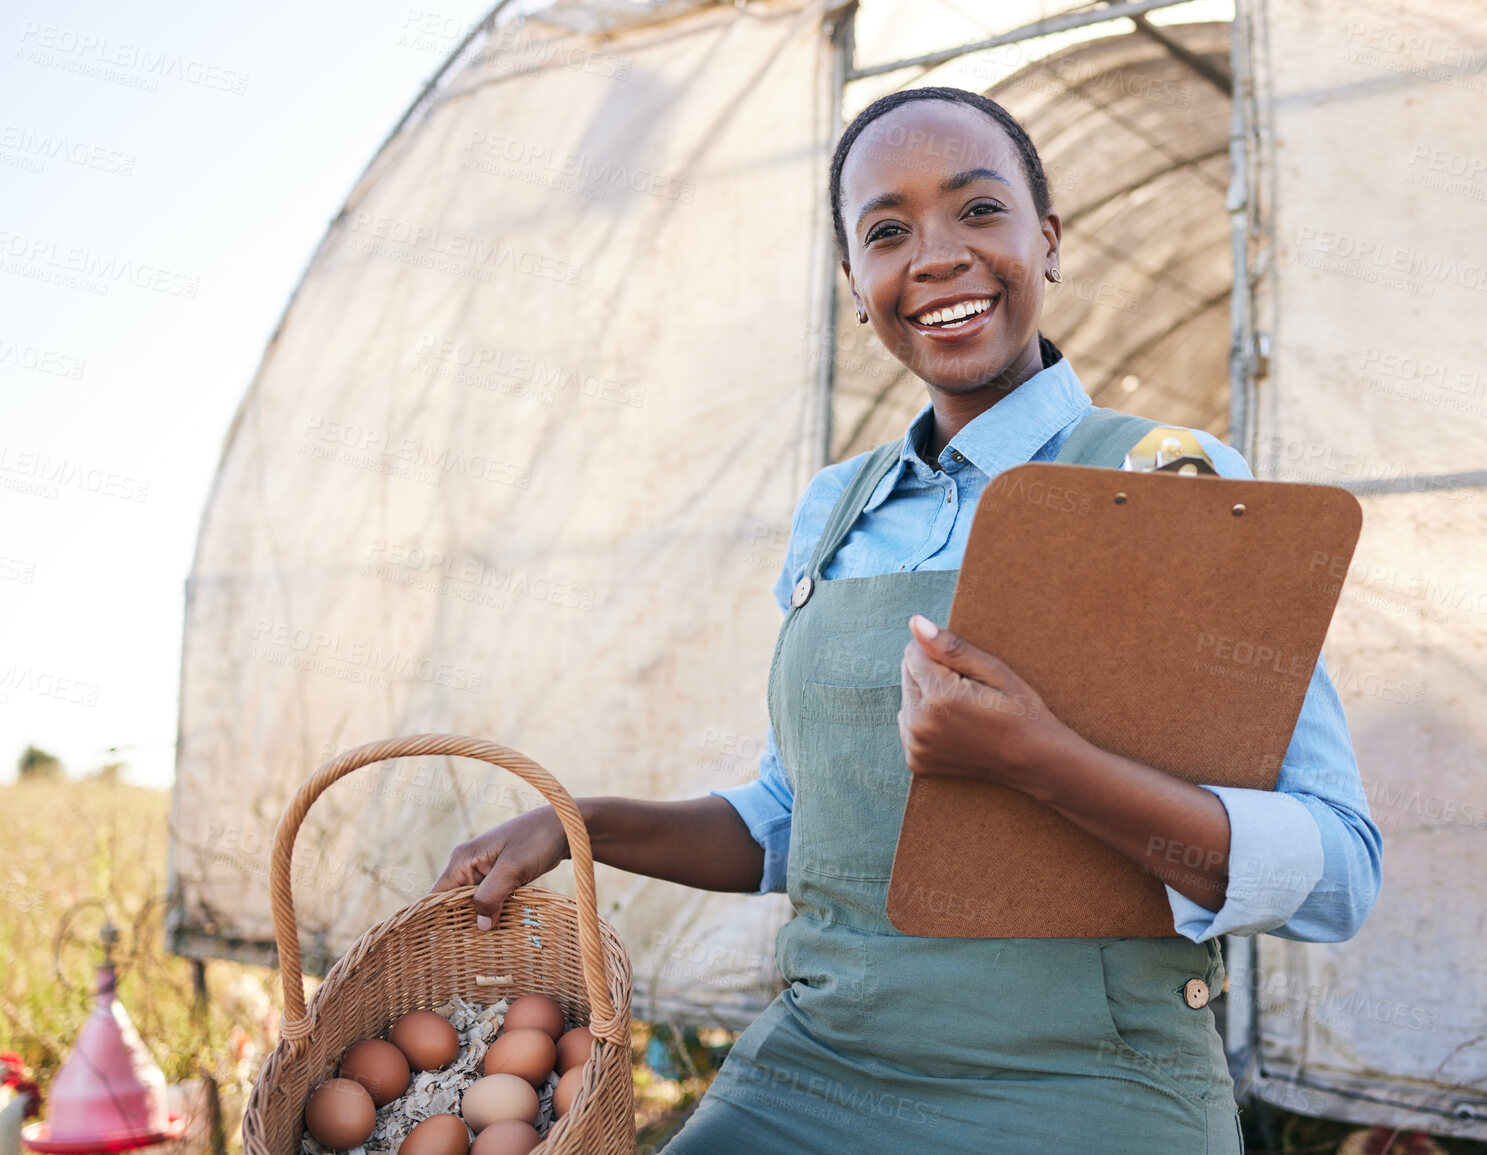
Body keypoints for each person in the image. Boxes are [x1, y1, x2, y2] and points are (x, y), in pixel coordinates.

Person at [432, 86, 1382, 1154]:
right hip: (824, 1065)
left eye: (980, 211)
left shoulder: (1172, 482)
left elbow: (1339, 872)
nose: (935, 257)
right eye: (887, 233)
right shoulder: (836, 511)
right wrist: (582, 826)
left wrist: (1038, 762)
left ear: (1048, 241)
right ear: (855, 285)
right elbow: (809, 823)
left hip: (1092, 1083)